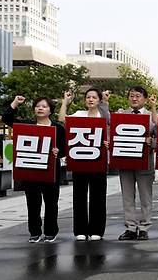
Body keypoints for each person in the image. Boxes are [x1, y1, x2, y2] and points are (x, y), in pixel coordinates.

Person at [3, 95, 66, 243]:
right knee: (32, 203)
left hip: (51, 171)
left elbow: (64, 148)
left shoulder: (58, 128)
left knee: (51, 203)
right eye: (38, 106)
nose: (40, 108)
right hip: (31, 170)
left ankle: (50, 232)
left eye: (44, 106)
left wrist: (59, 151)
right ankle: (34, 232)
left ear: (50, 110)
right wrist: (15, 103)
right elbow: (7, 118)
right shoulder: (28, 125)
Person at [58, 88, 110, 241]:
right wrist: (65, 102)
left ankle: (97, 230)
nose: (91, 100)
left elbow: (111, 133)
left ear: (99, 100)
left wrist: (108, 143)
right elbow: (62, 119)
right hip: (80, 161)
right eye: (88, 97)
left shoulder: (104, 116)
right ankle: (80, 230)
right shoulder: (78, 114)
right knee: (79, 196)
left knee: (98, 197)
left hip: (98, 161)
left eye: (94, 97)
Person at [117, 86, 158, 241]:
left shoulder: (151, 116)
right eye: (131, 96)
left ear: (145, 99)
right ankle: (130, 228)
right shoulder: (121, 115)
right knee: (127, 197)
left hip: (145, 162)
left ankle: (144, 227)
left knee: (146, 196)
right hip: (125, 161)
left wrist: (151, 142)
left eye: (138, 96)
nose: (134, 99)